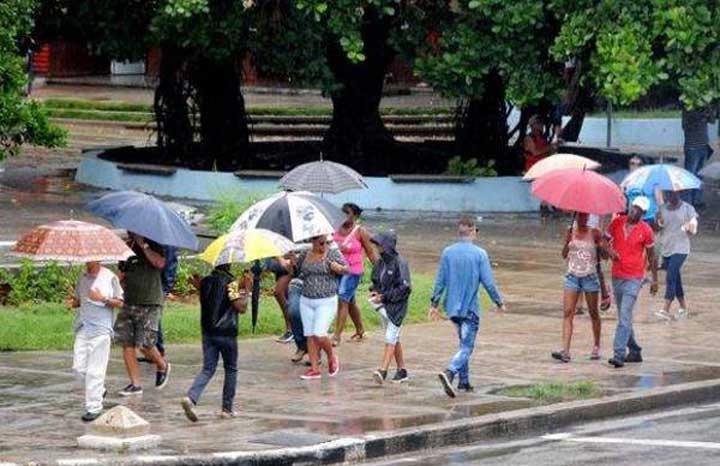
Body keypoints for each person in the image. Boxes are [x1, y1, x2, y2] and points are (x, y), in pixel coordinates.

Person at [429, 217, 505, 398]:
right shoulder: (480, 254)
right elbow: (488, 282)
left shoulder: (448, 252)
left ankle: (464, 381)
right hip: (470, 308)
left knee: (463, 343)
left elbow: (440, 280)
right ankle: (450, 371)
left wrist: (434, 303)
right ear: (472, 231)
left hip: (453, 309)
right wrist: (498, 301)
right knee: (467, 347)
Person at [181, 265, 251, 422]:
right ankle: (227, 409)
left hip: (208, 332)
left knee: (208, 369)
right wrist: (246, 290)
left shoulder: (206, 281)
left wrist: (196, 282)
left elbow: (205, 297)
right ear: (229, 265)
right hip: (226, 333)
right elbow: (241, 307)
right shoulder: (231, 283)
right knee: (231, 369)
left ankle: (191, 397)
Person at [115, 233, 171, 396]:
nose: (129, 231)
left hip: (150, 301)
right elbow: (122, 272)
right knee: (127, 342)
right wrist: (114, 288)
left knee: (146, 343)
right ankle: (135, 384)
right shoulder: (127, 246)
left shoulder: (154, 243)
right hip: (129, 300)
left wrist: (143, 244)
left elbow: (159, 263)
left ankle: (162, 365)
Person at [606, 197, 659, 368]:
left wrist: (654, 279)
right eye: (633, 208)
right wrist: (610, 251)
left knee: (625, 315)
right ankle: (635, 350)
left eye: (639, 210)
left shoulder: (646, 230)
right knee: (624, 317)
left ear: (643, 214)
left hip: (635, 277)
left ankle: (619, 354)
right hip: (617, 275)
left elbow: (652, 255)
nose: (634, 212)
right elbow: (604, 241)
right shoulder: (616, 223)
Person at [69, 261, 124, 422]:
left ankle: (94, 407)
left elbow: (120, 302)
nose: (88, 260)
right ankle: (99, 390)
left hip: (101, 329)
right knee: (78, 368)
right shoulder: (82, 277)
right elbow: (80, 300)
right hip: (83, 327)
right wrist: (73, 302)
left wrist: (103, 298)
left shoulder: (109, 277)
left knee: (95, 371)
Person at [552, 212, 609, 363]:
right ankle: (565, 350)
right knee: (568, 312)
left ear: (589, 217)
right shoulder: (570, 230)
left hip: (590, 277)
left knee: (593, 313)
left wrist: (601, 245)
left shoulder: (595, 232)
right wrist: (567, 241)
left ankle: (596, 345)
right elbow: (564, 254)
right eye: (580, 217)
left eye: (585, 217)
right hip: (572, 276)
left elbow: (604, 257)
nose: (582, 219)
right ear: (576, 217)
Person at [291, 235, 348, 380]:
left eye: (326, 242)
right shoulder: (305, 254)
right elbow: (297, 272)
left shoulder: (333, 253)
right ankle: (314, 369)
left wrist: (338, 268)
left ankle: (331, 356)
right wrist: (292, 263)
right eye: (321, 243)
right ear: (313, 242)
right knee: (309, 335)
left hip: (326, 300)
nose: (324, 246)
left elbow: (347, 269)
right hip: (307, 299)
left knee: (319, 333)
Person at [368, 231, 412, 385]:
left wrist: (385, 296)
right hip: (383, 306)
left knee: (390, 337)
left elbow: (405, 288)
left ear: (387, 246)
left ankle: (383, 371)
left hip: (397, 306)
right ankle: (402, 370)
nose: (376, 247)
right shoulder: (380, 263)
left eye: (379, 244)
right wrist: (374, 290)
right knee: (394, 337)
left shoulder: (400, 263)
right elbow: (375, 280)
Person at [332, 203, 378, 346]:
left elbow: (370, 252)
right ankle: (360, 330)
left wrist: (379, 272)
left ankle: (336, 336)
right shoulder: (334, 229)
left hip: (352, 271)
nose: (344, 216)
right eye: (343, 212)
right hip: (337, 270)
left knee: (343, 299)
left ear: (356, 216)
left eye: (348, 213)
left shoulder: (360, 231)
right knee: (350, 301)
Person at [654, 191, 698, 321]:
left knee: (671, 275)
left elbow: (694, 229)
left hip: (681, 248)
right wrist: (657, 220)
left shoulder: (688, 209)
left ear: (679, 194)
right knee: (676, 278)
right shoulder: (662, 209)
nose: (670, 197)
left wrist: (689, 227)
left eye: (673, 194)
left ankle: (665, 309)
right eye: (668, 195)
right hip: (666, 247)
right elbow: (658, 228)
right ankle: (683, 308)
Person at [681, 107, 711, 208]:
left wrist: (708, 108)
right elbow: (685, 126)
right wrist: (699, 116)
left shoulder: (704, 110)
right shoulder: (688, 109)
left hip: (704, 146)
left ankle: (697, 200)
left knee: (700, 175)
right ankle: (687, 202)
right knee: (690, 175)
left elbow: (712, 120)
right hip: (692, 147)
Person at [265, 257, 294, 343]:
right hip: (280, 270)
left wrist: (280, 258)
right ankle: (291, 330)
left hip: (290, 268)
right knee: (284, 295)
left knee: (278, 292)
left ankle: (291, 329)